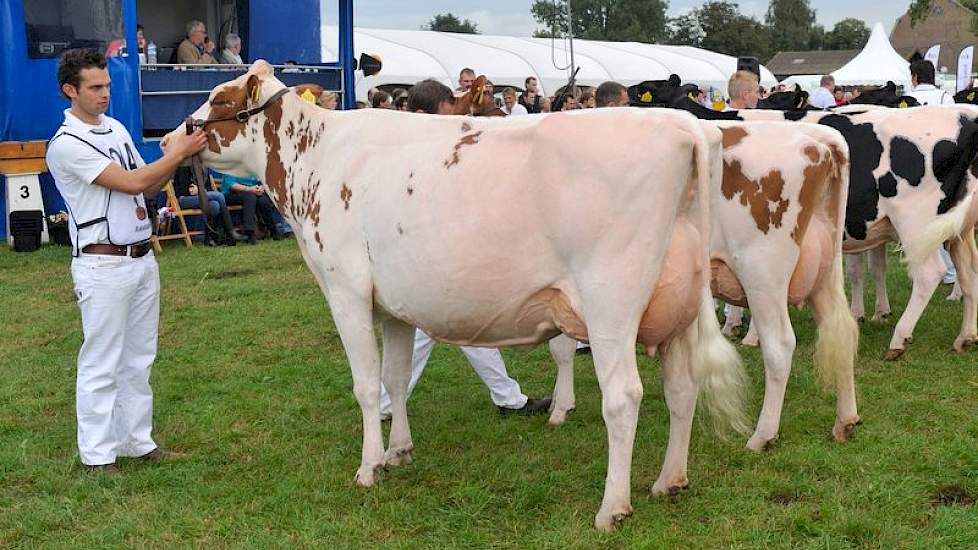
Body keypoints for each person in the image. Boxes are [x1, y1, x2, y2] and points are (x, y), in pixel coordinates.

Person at [45, 49, 208, 473]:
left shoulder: (114, 128)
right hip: (102, 264)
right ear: (70, 90)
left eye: (107, 86)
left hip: (139, 257)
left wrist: (173, 150)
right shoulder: (66, 146)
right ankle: (97, 455)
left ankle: (137, 441)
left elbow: (150, 187)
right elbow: (133, 181)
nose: (105, 94)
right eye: (95, 87)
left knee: (139, 357)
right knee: (101, 360)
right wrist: (175, 153)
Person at [379, 78, 552, 419]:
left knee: (462, 328)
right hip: (419, 255)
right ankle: (386, 405)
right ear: (418, 113)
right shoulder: (402, 151)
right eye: (442, 115)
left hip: (442, 252)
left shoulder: (429, 143)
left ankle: (507, 397)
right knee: (434, 331)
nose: (447, 122)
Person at [907, 60, 956, 284]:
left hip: (912, 167)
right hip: (945, 163)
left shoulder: (907, 100)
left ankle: (945, 269)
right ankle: (947, 268)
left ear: (915, 77)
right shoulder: (946, 98)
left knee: (922, 218)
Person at [171, 167, 245, 246]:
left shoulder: (204, 169)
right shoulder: (184, 168)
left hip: (201, 197)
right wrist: (196, 190)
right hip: (184, 199)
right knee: (219, 196)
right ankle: (230, 232)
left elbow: (208, 187)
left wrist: (202, 190)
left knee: (214, 206)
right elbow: (181, 190)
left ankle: (211, 238)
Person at [219, 173, 284, 243]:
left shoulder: (250, 166)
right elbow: (231, 184)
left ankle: (273, 230)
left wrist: (261, 188)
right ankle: (249, 233)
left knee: (263, 201)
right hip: (231, 194)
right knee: (250, 197)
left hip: (251, 191)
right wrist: (249, 189)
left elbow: (260, 181)